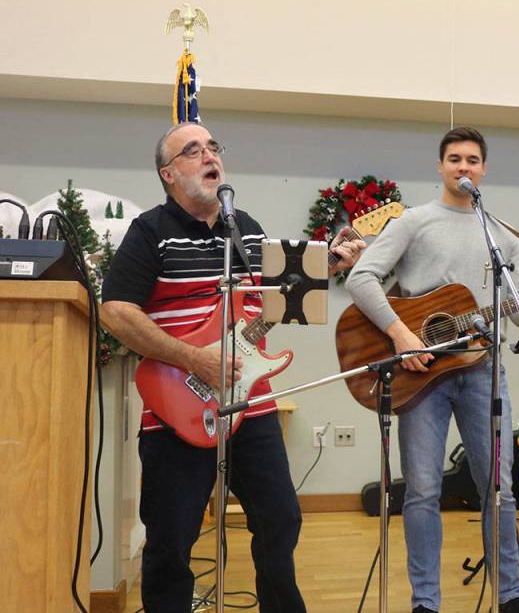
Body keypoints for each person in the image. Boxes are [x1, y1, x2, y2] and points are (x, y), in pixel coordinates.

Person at [101, 122, 365, 612]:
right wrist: (192, 357)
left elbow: (268, 309)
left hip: (250, 404)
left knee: (280, 519)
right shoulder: (150, 232)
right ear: (169, 173)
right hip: (175, 408)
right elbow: (115, 311)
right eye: (193, 150)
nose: (209, 155)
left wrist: (326, 267)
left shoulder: (245, 228)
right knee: (170, 540)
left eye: (214, 147)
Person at [347, 126, 519, 613]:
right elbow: (361, 276)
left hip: (483, 373)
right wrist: (400, 332)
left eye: (472, 160)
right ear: (440, 166)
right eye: (454, 158)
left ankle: (511, 596)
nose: (463, 167)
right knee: (423, 490)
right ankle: (425, 604)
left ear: (484, 169)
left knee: (499, 488)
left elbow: (518, 311)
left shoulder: (502, 237)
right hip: (421, 376)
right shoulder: (414, 222)